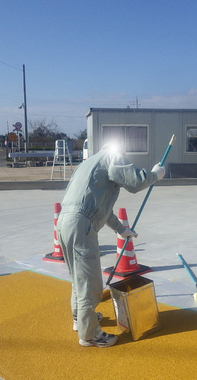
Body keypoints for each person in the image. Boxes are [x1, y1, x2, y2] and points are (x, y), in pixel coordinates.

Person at [56, 142, 165, 348]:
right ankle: (90, 335)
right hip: (81, 225)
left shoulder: (87, 164)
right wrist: (155, 175)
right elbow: (136, 182)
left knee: (79, 278)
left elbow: (101, 207)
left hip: (64, 222)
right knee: (90, 283)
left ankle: (80, 318)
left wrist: (121, 229)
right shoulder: (111, 157)